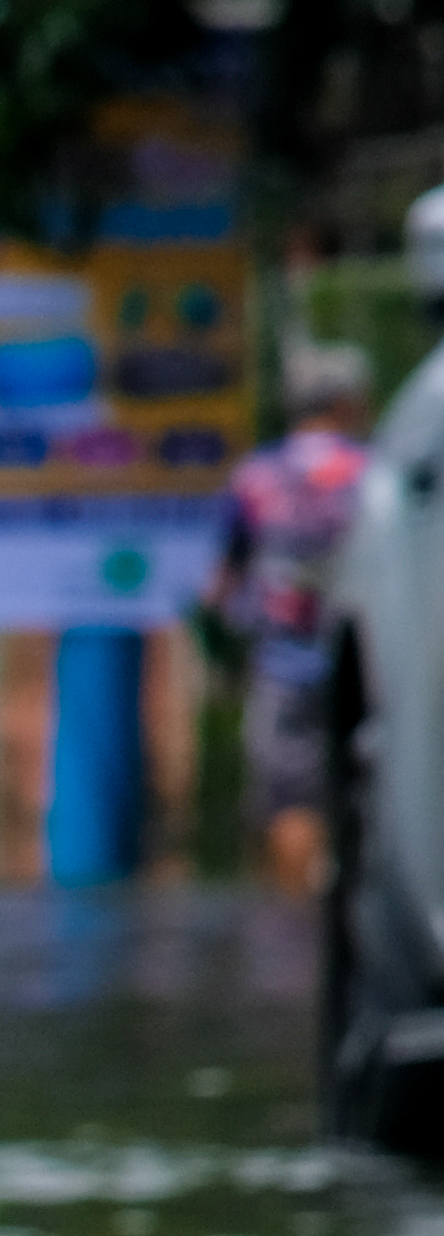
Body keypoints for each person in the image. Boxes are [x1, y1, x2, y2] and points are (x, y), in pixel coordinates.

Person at [206, 335, 375, 878]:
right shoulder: (373, 474)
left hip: (280, 660)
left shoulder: (256, 475)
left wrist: (222, 653)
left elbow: (221, 581)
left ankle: (302, 900)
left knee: (288, 795)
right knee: (368, 791)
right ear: (346, 403)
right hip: (370, 664)